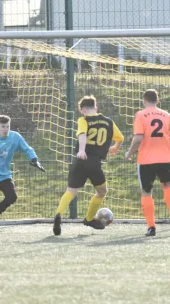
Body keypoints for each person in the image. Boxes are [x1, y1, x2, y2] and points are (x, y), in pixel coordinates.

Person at [53, 95, 124, 236]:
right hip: (94, 163)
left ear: (82, 110)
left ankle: (58, 215)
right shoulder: (109, 122)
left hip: (80, 160)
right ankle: (89, 219)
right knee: (102, 192)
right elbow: (120, 138)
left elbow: (82, 134)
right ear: (96, 107)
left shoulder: (83, 119)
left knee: (71, 191)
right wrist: (115, 147)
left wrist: (81, 150)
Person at [125, 89, 170, 237]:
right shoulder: (167, 115)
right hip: (164, 160)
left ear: (144, 101)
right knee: (167, 185)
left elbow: (138, 138)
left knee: (147, 192)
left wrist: (130, 152)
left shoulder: (140, 115)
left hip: (146, 161)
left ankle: (151, 227)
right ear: (157, 101)